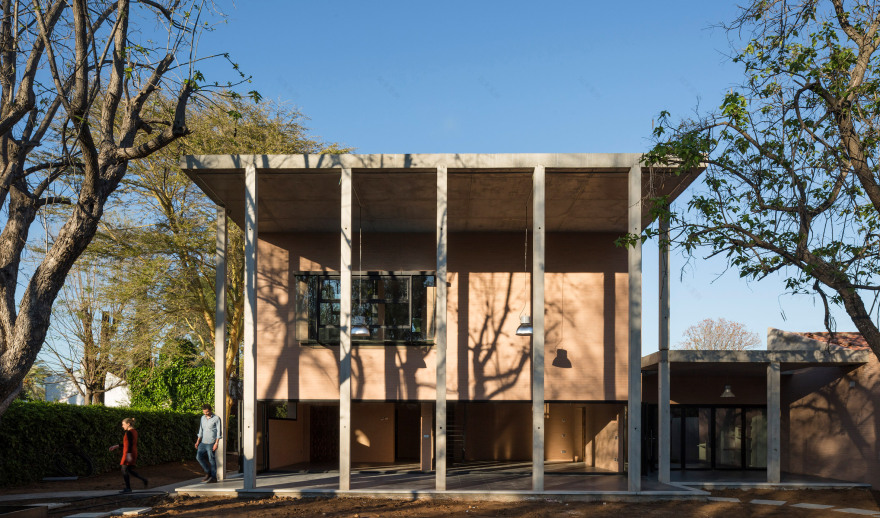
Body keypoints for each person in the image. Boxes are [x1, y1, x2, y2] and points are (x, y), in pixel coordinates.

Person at [109, 417, 148, 493]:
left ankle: (128, 488)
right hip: (132, 452)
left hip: (128, 453)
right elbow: (127, 443)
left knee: (124, 470)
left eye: (123, 424)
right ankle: (143, 480)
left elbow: (129, 444)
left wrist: (129, 455)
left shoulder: (129, 432)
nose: (122, 426)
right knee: (128, 470)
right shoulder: (134, 432)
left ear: (128, 424)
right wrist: (116, 446)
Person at [195, 403, 222, 483]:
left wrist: (216, 443)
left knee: (211, 459)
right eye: (204, 412)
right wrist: (197, 441)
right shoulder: (202, 418)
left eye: (207, 412)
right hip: (203, 442)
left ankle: (214, 478)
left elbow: (219, 432)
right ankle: (208, 472)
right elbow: (201, 430)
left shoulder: (216, 418)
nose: (205, 413)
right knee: (198, 457)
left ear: (210, 410)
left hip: (211, 442)